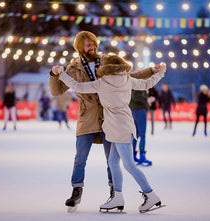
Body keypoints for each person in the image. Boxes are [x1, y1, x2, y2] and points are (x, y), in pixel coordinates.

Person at [49, 30, 161, 210]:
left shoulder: (106, 62)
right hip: (89, 117)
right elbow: (57, 91)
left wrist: (150, 71)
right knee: (84, 158)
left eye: (93, 43)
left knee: (117, 162)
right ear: (80, 48)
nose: (92, 47)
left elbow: (132, 77)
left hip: (110, 121)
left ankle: (120, 193)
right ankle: (81, 191)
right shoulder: (73, 68)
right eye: (88, 45)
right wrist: (56, 75)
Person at [129, 90, 151, 166]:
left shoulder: (134, 82)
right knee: (142, 134)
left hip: (135, 110)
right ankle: (142, 156)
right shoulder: (138, 83)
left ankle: (133, 155)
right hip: (139, 110)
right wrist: (146, 98)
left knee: (136, 134)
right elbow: (136, 96)